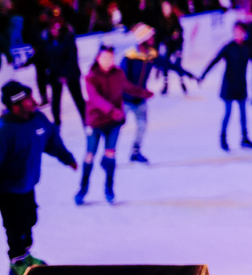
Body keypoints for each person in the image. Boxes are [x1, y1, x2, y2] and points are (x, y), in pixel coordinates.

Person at [0, 81, 76, 274]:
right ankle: (17, 262)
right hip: (8, 190)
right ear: (15, 105)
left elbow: (52, 141)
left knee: (30, 220)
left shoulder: (38, 119)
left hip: (28, 184)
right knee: (16, 227)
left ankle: (25, 255)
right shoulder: (4, 130)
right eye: (28, 99)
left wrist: (66, 158)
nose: (34, 101)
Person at [79, 47, 152, 204]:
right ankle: (83, 188)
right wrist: (112, 110)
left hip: (113, 123)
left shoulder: (118, 74)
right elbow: (94, 98)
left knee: (110, 154)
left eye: (111, 58)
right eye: (105, 58)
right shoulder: (91, 77)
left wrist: (143, 93)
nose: (108, 61)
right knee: (90, 155)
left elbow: (128, 87)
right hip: (95, 122)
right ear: (98, 58)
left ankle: (109, 188)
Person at [201, 23, 252, 152]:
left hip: (241, 85)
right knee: (228, 112)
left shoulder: (247, 47)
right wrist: (203, 74)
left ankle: (244, 138)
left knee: (243, 113)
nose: (238, 34)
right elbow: (215, 60)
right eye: (236, 32)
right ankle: (223, 138)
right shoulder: (229, 47)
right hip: (229, 85)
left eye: (240, 32)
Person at [120, 24, 159, 164]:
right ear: (144, 39)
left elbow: (168, 64)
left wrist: (187, 74)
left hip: (140, 100)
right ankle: (108, 153)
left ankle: (135, 152)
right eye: (150, 36)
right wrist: (141, 92)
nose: (153, 39)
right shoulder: (130, 56)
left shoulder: (151, 54)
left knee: (142, 126)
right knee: (115, 127)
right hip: (125, 99)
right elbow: (123, 81)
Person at [39, 18, 85, 128]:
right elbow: (45, 58)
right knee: (55, 100)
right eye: (53, 29)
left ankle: (86, 120)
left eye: (57, 29)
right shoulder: (47, 41)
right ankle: (56, 123)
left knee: (78, 98)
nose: (55, 31)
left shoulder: (68, 39)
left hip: (70, 74)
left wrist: (64, 74)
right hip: (55, 75)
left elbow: (71, 58)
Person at [156, 0, 196, 95]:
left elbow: (180, 31)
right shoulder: (161, 20)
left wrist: (177, 36)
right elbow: (159, 35)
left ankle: (182, 82)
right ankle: (166, 85)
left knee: (178, 64)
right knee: (165, 65)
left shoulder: (174, 19)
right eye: (164, 8)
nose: (166, 10)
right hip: (167, 46)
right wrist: (164, 41)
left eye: (167, 8)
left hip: (176, 45)